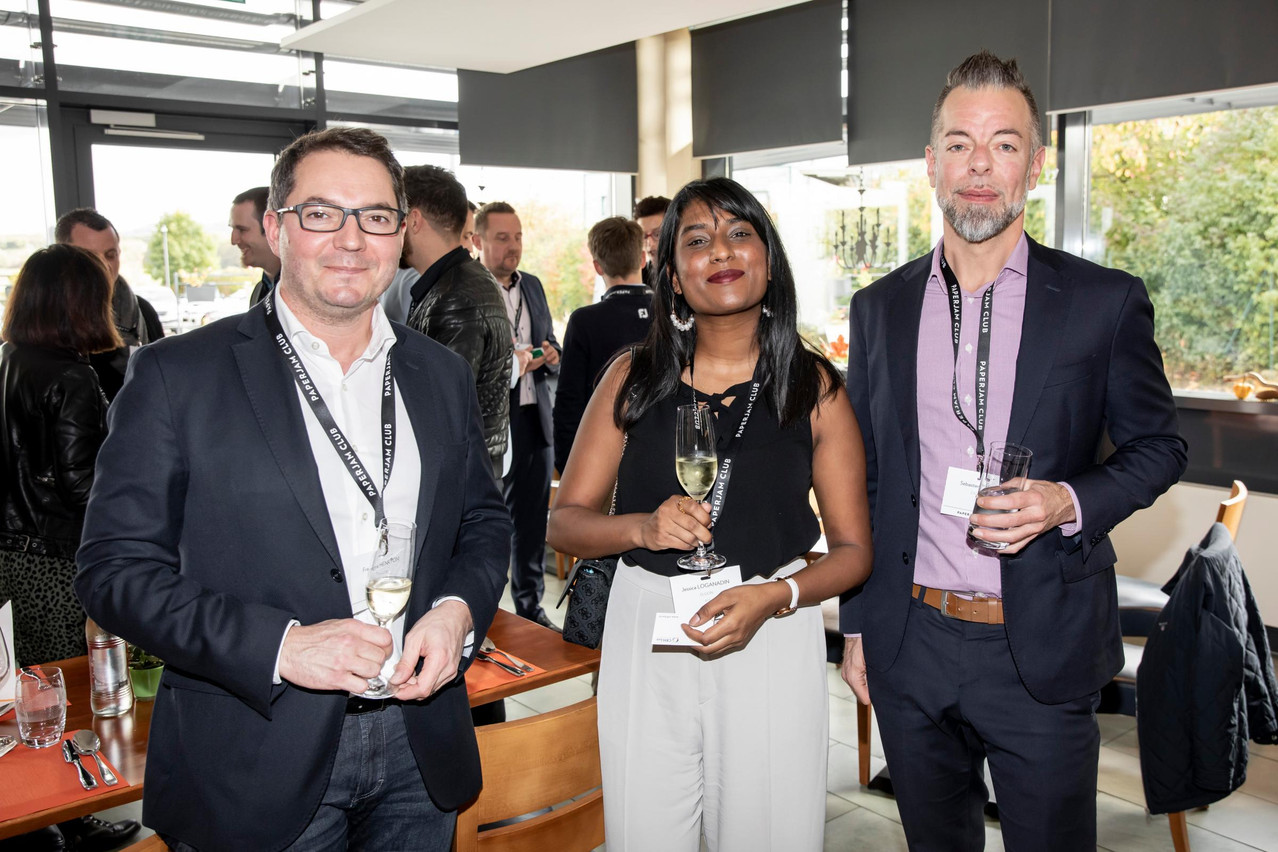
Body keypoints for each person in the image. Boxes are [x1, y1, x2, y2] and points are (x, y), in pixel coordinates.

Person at [75, 127, 511, 851]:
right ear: (277, 228)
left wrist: (458, 611)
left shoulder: (440, 374)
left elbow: (483, 523)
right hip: (255, 752)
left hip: (418, 742)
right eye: (320, 213)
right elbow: (113, 574)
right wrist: (281, 646)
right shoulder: (175, 377)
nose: (350, 237)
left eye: (374, 215)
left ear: (401, 235)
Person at [840, 51, 1188, 850]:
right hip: (910, 639)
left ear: (1035, 164)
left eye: (1003, 144)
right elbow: (864, 479)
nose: (979, 167)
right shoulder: (878, 308)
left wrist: (1068, 501)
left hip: (1042, 640)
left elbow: (1160, 447)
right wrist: (858, 625)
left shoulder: (1104, 301)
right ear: (931, 164)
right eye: (959, 143)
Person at [548, 177, 872, 851]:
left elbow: (852, 552)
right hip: (647, 625)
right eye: (696, 239)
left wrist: (776, 596)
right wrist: (638, 527)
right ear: (669, 275)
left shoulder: (814, 389)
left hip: (771, 628)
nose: (719, 250)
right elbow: (563, 521)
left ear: (768, 258)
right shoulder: (630, 377)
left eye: (739, 233)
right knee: (645, 833)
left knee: (770, 833)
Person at [0, 244, 142, 852]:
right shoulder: (70, 376)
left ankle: (37, 814)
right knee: (68, 687)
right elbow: (86, 484)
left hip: (9, 553)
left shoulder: (8, 359)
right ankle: (71, 811)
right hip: (56, 557)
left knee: (24, 686)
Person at [474, 201, 562, 628]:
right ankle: (487, 612)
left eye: (518, 236)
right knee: (490, 524)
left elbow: (549, 340)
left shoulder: (534, 286)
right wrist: (511, 362)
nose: (514, 246)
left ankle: (530, 608)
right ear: (478, 241)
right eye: (502, 238)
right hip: (493, 426)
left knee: (531, 521)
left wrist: (550, 354)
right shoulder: (472, 290)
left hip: (534, 420)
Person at [402, 165, 513, 479]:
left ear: (413, 220)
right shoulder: (459, 282)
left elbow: (441, 413)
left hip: (459, 477)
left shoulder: (454, 296)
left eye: (391, 216)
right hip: (470, 470)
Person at [552, 215, 653, 473]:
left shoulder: (585, 321)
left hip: (602, 457)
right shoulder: (674, 314)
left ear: (598, 267)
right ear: (642, 259)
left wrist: (566, 466)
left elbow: (569, 403)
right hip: (664, 452)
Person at [55, 208, 163, 401]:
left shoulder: (143, 312)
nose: (103, 265)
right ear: (63, 259)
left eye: (110, 255)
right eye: (90, 256)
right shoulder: (49, 325)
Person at [230, 186, 282, 305]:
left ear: (273, 229)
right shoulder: (259, 292)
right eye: (233, 229)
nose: (234, 240)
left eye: (242, 230)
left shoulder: (303, 295)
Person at [633, 195, 669, 286]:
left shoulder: (692, 273)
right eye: (643, 236)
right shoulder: (638, 279)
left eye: (657, 234)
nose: (650, 244)